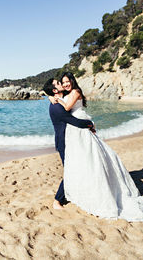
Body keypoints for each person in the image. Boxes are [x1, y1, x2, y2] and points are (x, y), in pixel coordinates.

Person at [52, 72, 143, 221]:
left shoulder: (75, 91)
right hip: (73, 131)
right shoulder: (67, 93)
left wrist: (57, 99)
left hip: (80, 126)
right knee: (80, 159)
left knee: (90, 157)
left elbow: (67, 108)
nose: (66, 84)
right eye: (64, 82)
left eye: (68, 81)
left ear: (72, 81)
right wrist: (52, 97)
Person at [42, 78, 94, 209]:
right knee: (70, 170)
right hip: (64, 142)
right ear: (55, 90)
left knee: (76, 167)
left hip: (71, 139)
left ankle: (73, 192)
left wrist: (50, 96)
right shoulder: (56, 107)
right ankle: (57, 200)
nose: (62, 84)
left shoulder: (61, 98)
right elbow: (73, 121)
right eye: (59, 83)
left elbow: (68, 98)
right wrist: (89, 123)